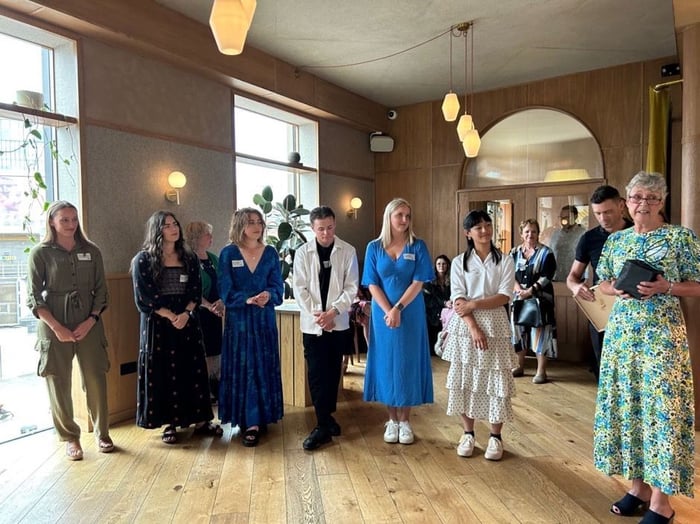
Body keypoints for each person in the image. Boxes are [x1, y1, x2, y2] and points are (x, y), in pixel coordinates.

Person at [594, 171, 700, 524]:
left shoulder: (679, 238)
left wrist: (665, 287)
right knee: (630, 409)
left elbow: (697, 285)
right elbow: (603, 282)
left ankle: (661, 502)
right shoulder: (617, 241)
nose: (643, 204)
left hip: (662, 339)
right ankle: (637, 488)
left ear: (662, 202)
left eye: (651, 198)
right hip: (623, 338)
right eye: (637, 197)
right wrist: (617, 290)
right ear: (626, 201)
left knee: (662, 413)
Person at [27, 201, 113, 460]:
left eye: (74, 219)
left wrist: (91, 320)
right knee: (58, 380)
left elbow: (102, 291)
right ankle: (70, 438)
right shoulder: (40, 252)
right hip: (54, 322)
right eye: (64, 219)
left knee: (96, 378)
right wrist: (56, 327)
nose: (71, 224)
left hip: (89, 322)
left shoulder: (92, 250)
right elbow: (33, 296)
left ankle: (102, 432)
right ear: (52, 221)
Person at [131, 211, 219, 444]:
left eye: (175, 224)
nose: (173, 228)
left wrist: (186, 313)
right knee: (163, 372)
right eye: (167, 225)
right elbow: (144, 298)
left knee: (192, 369)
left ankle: (201, 421)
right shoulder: (143, 259)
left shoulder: (189, 257)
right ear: (157, 231)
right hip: (159, 324)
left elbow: (195, 290)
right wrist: (171, 316)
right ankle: (169, 423)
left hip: (187, 321)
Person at [440, 210, 516, 461]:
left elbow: (504, 295)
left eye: (487, 226)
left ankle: (495, 437)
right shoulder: (459, 262)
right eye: (478, 228)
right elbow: (458, 298)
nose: (484, 231)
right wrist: (472, 325)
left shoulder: (504, 260)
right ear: (467, 233)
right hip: (466, 325)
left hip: (495, 322)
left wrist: (474, 305)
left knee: (496, 380)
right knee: (465, 378)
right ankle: (468, 433)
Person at [362, 198, 434, 445]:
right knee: (386, 363)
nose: (404, 220)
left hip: (410, 313)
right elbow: (371, 283)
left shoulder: (418, 246)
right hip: (383, 316)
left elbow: (419, 281)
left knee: (407, 362)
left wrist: (399, 308)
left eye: (407, 215)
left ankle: (405, 421)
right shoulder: (373, 247)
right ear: (388, 218)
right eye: (399, 215)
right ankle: (391, 419)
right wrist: (388, 311)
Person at [293, 206, 359, 450]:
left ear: (335, 225)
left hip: (337, 322)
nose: (326, 233)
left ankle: (327, 417)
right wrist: (318, 315)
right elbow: (299, 288)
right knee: (317, 373)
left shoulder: (347, 250)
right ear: (312, 228)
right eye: (320, 229)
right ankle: (322, 425)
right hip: (313, 325)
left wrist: (333, 312)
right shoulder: (302, 253)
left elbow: (351, 287)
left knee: (333, 372)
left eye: (330, 227)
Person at [218, 208, 284, 447]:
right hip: (239, 324)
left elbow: (278, 287)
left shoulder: (270, 253)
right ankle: (247, 419)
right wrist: (245, 300)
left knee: (261, 367)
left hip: (264, 321)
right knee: (243, 368)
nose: (257, 226)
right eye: (251, 222)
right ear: (240, 226)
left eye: (259, 222)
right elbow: (224, 290)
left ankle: (260, 418)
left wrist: (269, 294)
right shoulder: (228, 254)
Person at [565, 185, 632, 380]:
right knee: (604, 368)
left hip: (633, 310)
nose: (603, 218)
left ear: (622, 206)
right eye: (598, 213)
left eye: (608, 212)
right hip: (602, 311)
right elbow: (572, 277)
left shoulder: (637, 232)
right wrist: (576, 287)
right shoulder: (589, 239)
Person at [510, 219, 557, 383]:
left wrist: (530, 291)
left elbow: (547, 277)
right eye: (527, 231)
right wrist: (518, 290)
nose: (530, 234)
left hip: (540, 300)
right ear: (521, 233)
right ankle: (519, 366)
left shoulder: (547, 253)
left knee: (540, 334)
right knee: (518, 332)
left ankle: (541, 371)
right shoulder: (514, 252)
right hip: (518, 299)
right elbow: (509, 274)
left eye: (534, 231)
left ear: (538, 233)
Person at [185, 221, 224, 403]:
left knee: (215, 351)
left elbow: (225, 283)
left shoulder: (213, 258)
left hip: (216, 314)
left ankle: (215, 387)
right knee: (202, 352)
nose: (211, 238)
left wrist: (221, 303)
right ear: (196, 238)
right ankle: (202, 391)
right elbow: (190, 291)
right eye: (207, 235)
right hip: (198, 314)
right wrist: (209, 305)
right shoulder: (188, 260)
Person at [423, 254, 452, 353]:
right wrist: (443, 303)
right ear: (435, 266)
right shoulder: (429, 282)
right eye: (438, 264)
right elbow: (428, 300)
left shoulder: (452, 281)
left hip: (449, 310)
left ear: (447, 266)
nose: (441, 266)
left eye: (444, 264)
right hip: (433, 311)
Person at [549, 204, 585, 281]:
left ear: (575, 217)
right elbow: (550, 254)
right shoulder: (556, 234)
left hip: (576, 280)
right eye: (561, 218)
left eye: (566, 217)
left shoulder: (583, 234)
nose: (563, 220)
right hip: (556, 279)